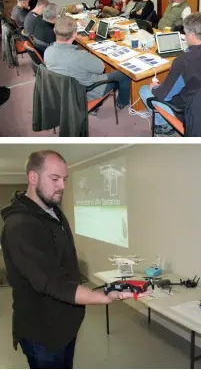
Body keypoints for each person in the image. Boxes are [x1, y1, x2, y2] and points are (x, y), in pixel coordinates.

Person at [0, 150, 149, 370]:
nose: (62, 186)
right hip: (43, 334)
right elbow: (52, 282)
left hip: (65, 325)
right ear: (33, 178)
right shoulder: (21, 226)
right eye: (55, 179)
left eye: (64, 179)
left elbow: (64, 264)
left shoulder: (53, 212)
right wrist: (103, 296)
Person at [140, 12, 201, 135]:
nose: (184, 36)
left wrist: (154, 88)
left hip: (189, 108)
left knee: (144, 89)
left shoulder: (183, 61)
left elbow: (164, 96)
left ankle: (164, 125)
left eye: (185, 33)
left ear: (192, 36)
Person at [44, 16, 131, 109]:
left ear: (54, 31)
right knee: (124, 74)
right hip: (89, 91)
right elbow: (101, 68)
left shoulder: (48, 51)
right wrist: (85, 53)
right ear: (75, 34)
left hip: (64, 91)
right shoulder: (80, 56)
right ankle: (122, 103)